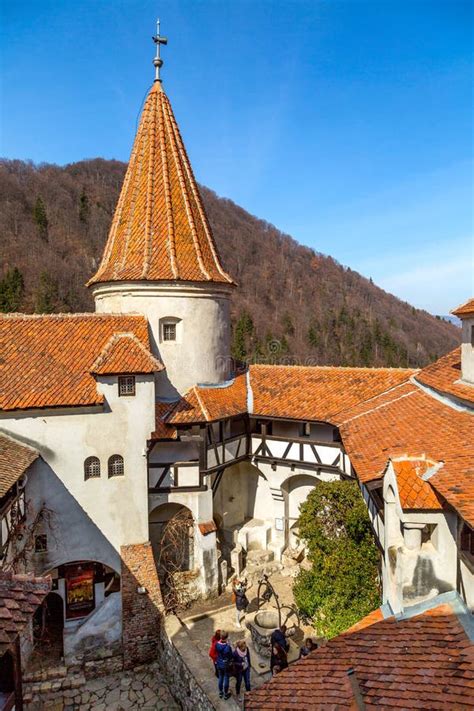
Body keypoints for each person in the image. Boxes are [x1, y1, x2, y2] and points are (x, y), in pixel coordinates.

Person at [215, 631, 233, 700]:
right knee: (226, 678)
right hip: (225, 665)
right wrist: (229, 645)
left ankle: (220, 692)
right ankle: (225, 694)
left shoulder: (217, 644)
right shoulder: (227, 647)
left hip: (219, 663)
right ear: (226, 638)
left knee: (220, 678)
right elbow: (230, 656)